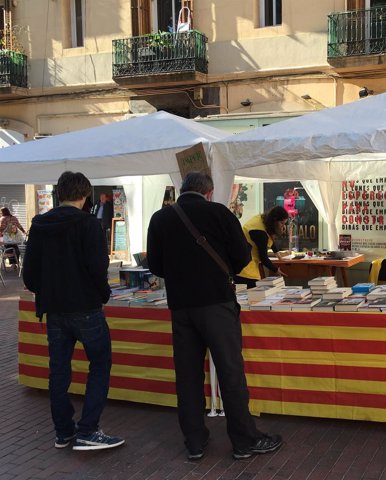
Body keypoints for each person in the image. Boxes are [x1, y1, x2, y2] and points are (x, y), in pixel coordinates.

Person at [146, 171, 283, 461]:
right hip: (217, 304)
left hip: (181, 307)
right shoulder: (219, 213)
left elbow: (156, 265)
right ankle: (244, 441)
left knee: (187, 375)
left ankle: (194, 441)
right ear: (209, 192)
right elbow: (242, 258)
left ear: (182, 190)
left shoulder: (161, 218)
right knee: (230, 371)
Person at [22, 171, 124, 452]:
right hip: (85, 307)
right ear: (85, 195)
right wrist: (102, 294)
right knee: (101, 364)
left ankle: (63, 431)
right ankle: (88, 430)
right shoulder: (88, 224)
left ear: (59, 194)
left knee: (58, 371)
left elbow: (29, 275)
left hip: (54, 309)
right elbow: (97, 267)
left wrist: (47, 290)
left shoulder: (39, 225)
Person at [234, 206, 290, 288]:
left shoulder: (261, 219)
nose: (283, 226)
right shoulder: (259, 233)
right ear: (275, 220)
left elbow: (268, 234)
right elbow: (263, 258)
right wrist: (276, 270)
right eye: (282, 223)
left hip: (242, 264)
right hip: (245, 270)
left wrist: (277, 252)